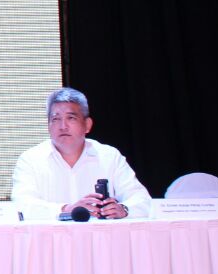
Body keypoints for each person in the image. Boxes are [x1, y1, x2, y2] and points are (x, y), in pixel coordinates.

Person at [12, 87, 152, 220]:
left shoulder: (109, 157)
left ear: (87, 125)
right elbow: (22, 205)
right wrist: (66, 209)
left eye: (71, 118)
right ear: (48, 126)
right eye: (56, 119)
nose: (63, 126)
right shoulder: (30, 159)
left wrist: (124, 209)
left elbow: (142, 200)